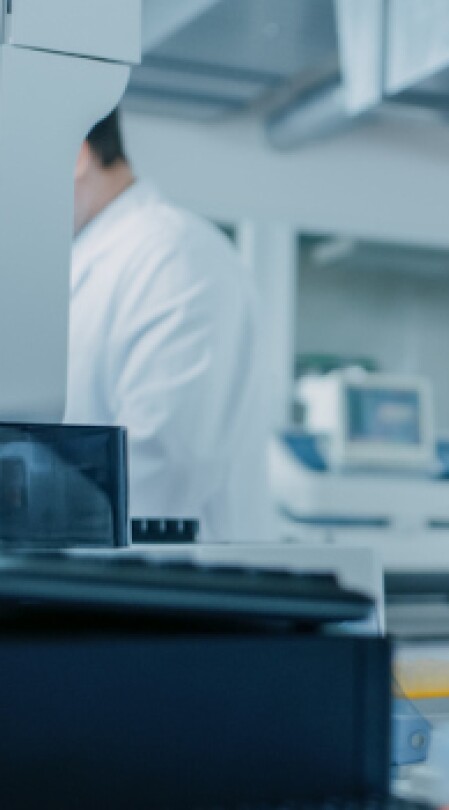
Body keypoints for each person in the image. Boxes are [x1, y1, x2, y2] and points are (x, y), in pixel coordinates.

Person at [69, 109, 269, 542]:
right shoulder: (90, 263)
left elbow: (163, 469)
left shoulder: (176, 256)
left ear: (77, 157)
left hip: (174, 577)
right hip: (100, 572)